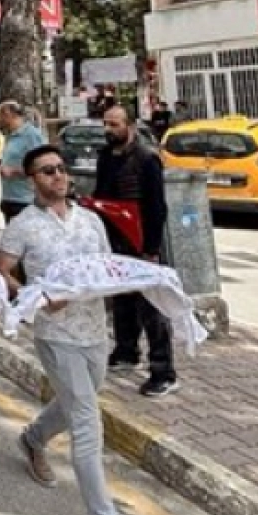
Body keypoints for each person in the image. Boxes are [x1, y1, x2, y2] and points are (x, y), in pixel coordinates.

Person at [0, 144, 155, 515]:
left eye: (61, 169)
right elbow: (1, 271)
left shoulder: (90, 220)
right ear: (32, 181)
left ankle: (31, 439)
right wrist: (38, 295)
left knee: (74, 406)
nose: (58, 177)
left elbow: (105, 266)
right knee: (87, 422)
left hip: (93, 332)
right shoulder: (23, 225)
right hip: (56, 336)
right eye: (47, 171)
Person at [95, 105, 178, 398]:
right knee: (122, 300)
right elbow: (101, 195)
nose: (109, 129)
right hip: (116, 241)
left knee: (151, 308)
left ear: (129, 126)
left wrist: (151, 249)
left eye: (115, 124)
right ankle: (126, 350)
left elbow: (157, 207)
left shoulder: (146, 159)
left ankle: (163, 370)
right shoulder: (105, 156)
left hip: (143, 243)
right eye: (106, 123)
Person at [0, 101, 46, 222]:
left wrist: (14, 171)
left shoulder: (31, 135)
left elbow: (42, 166)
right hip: (9, 198)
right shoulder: (10, 136)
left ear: (9, 114)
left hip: (25, 201)